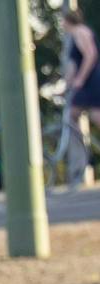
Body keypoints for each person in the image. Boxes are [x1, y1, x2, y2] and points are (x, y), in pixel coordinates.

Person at [63, 5, 99, 189]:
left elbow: (91, 54)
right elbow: (73, 65)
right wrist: (67, 84)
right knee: (72, 115)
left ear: (67, 21)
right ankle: (86, 153)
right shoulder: (73, 36)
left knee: (93, 116)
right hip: (85, 82)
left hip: (91, 81)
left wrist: (80, 79)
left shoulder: (80, 32)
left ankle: (87, 154)